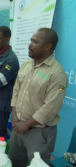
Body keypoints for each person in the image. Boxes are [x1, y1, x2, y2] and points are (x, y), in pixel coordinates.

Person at [9, 28, 68, 166]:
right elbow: (17, 89)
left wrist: (27, 124)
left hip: (39, 132)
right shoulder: (26, 64)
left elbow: (51, 106)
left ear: (48, 46)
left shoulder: (57, 74)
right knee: (15, 162)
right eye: (31, 40)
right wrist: (14, 113)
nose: (30, 44)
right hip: (18, 126)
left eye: (34, 42)